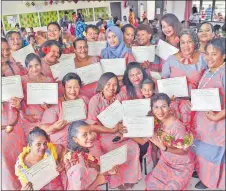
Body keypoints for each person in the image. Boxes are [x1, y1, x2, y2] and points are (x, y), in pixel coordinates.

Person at [88, 72, 141, 189]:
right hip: (103, 134)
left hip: (120, 131)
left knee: (133, 146)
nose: (112, 88)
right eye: (108, 84)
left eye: (114, 84)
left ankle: (128, 178)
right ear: (102, 85)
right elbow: (92, 126)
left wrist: (122, 125)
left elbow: (128, 112)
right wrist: (111, 130)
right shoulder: (95, 100)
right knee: (116, 151)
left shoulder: (120, 96)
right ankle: (118, 182)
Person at [192, 38, 225, 190]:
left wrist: (218, 116)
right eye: (207, 54)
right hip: (203, 123)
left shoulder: (224, 72)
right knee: (201, 151)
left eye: (214, 54)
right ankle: (203, 175)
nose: (209, 58)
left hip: (217, 124)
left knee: (213, 155)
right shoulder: (207, 71)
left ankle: (210, 181)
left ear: (223, 55)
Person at [162, 29, 208, 133]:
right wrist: (168, 95)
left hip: (197, 103)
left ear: (195, 42)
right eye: (183, 42)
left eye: (189, 41)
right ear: (179, 44)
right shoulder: (171, 59)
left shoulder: (203, 58)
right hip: (174, 102)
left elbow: (210, 79)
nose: (186, 45)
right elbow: (163, 80)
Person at [145, 93, 194, 190]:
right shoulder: (155, 119)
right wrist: (126, 129)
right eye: (156, 107)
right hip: (165, 161)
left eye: (164, 106)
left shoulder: (177, 127)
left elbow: (184, 151)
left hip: (181, 165)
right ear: (152, 109)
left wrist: (164, 148)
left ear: (169, 106)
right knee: (151, 185)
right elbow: (140, 133)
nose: (160, 111)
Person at [65, 120, 119, 190]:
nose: (90, 137)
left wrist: (107, 171)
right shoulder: (75, 164)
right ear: (75, 139)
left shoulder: (81, 152)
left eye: (90, 132)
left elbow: (92, 169)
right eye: (84, 135)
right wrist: (96, 182)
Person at [40, 73, 89, 147]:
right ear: (63, 88)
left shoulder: (84, 99)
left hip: (85, 138)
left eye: (76, 87)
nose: (72, 91)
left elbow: (91, 118)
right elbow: (43, 131)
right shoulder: (55, 104)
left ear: (80, 87)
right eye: (69, 87)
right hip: (63, 143)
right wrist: (54, 127)